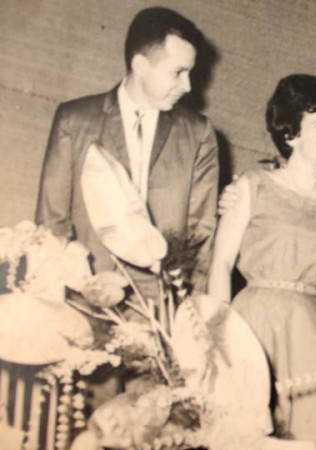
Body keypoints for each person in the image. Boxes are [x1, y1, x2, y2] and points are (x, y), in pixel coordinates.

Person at [207, 74, 316, 450]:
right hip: (257, 322)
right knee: (250, 442)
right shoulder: (252, 187)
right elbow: (221, 262)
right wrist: (216, 338)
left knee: (310, 447)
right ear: (291, 134)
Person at [36, 7, 219, 296]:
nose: (187, 85)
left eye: (190, 73)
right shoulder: (75, 119)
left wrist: (191, 308)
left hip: (161, 305)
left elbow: (201, 232)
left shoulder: (198, 132)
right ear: (141, 65)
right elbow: (51, 224)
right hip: (86, 295)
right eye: (178, 72)